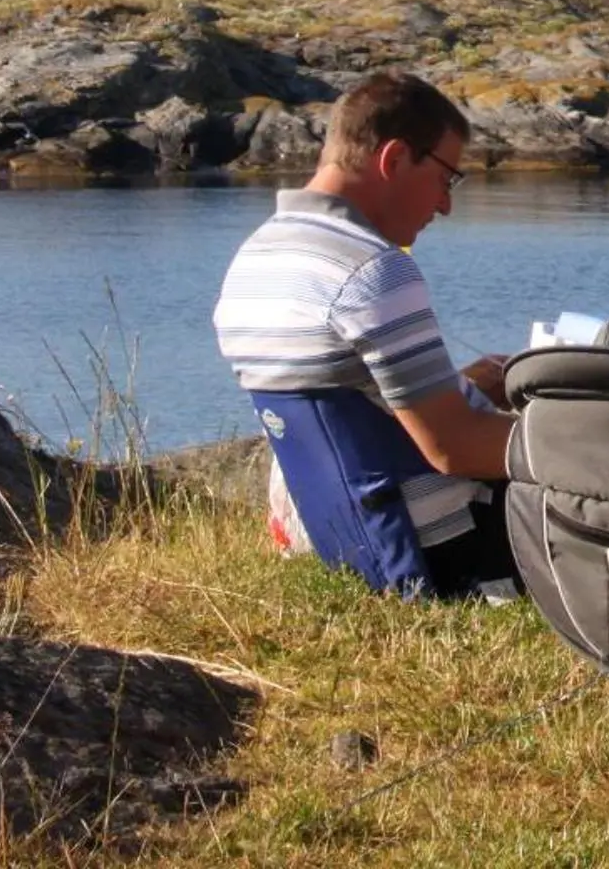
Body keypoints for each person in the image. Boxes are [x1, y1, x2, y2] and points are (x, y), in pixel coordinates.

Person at [213, 70, 518, 596]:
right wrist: (582, 438)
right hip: (441, 549)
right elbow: (455, 449)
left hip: (332, 536)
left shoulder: (256, 257)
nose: (445, 205)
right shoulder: (371, 269)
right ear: (395, 159)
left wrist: (464, 386)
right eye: (447, 179)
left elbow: (344, 407)